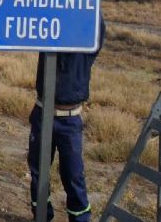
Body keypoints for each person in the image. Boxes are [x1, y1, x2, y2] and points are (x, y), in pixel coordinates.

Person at [27, 15, 105, 222]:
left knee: (73, 176)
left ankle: (80, 218)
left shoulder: (86, 48)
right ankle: (42, 216)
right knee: (37, 172)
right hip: (42, 115)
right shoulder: (49, 39)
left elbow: (97, 23)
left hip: (70, 121)